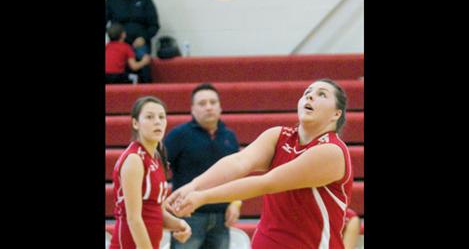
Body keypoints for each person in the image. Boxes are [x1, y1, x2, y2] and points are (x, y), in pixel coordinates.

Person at [166, 78, 353, 249]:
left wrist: (202, 197)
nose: (310, 95)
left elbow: (267, 183)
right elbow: (239, 162)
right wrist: (193, 186)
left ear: (337, 113)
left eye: (322, 94)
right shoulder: (278, 136)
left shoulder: (331, 151)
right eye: (307, 92)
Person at [164, 83, 242, 249]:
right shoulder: (178, 135)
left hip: (222, 217)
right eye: (202, 103)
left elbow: (237, 173)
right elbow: (158, 167)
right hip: (188, 216)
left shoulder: (229, 136)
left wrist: (235, 203)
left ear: (220, 107)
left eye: (213, 102)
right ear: (192, 109)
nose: (208, 107)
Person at [109, 96, 192, 249]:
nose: (157, 121)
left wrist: (180, 224)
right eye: (149, 117)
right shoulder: (134, 159)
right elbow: (134, 219)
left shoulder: (156, 158)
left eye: (161, 117)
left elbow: (155, 212)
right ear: (135, 123)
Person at [105, 0, 160, 83]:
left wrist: (144, 38)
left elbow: (154, 25)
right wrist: (114, 38)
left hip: (140, 43)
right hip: (118, 45)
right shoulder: (111, 0)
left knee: (144, 70)